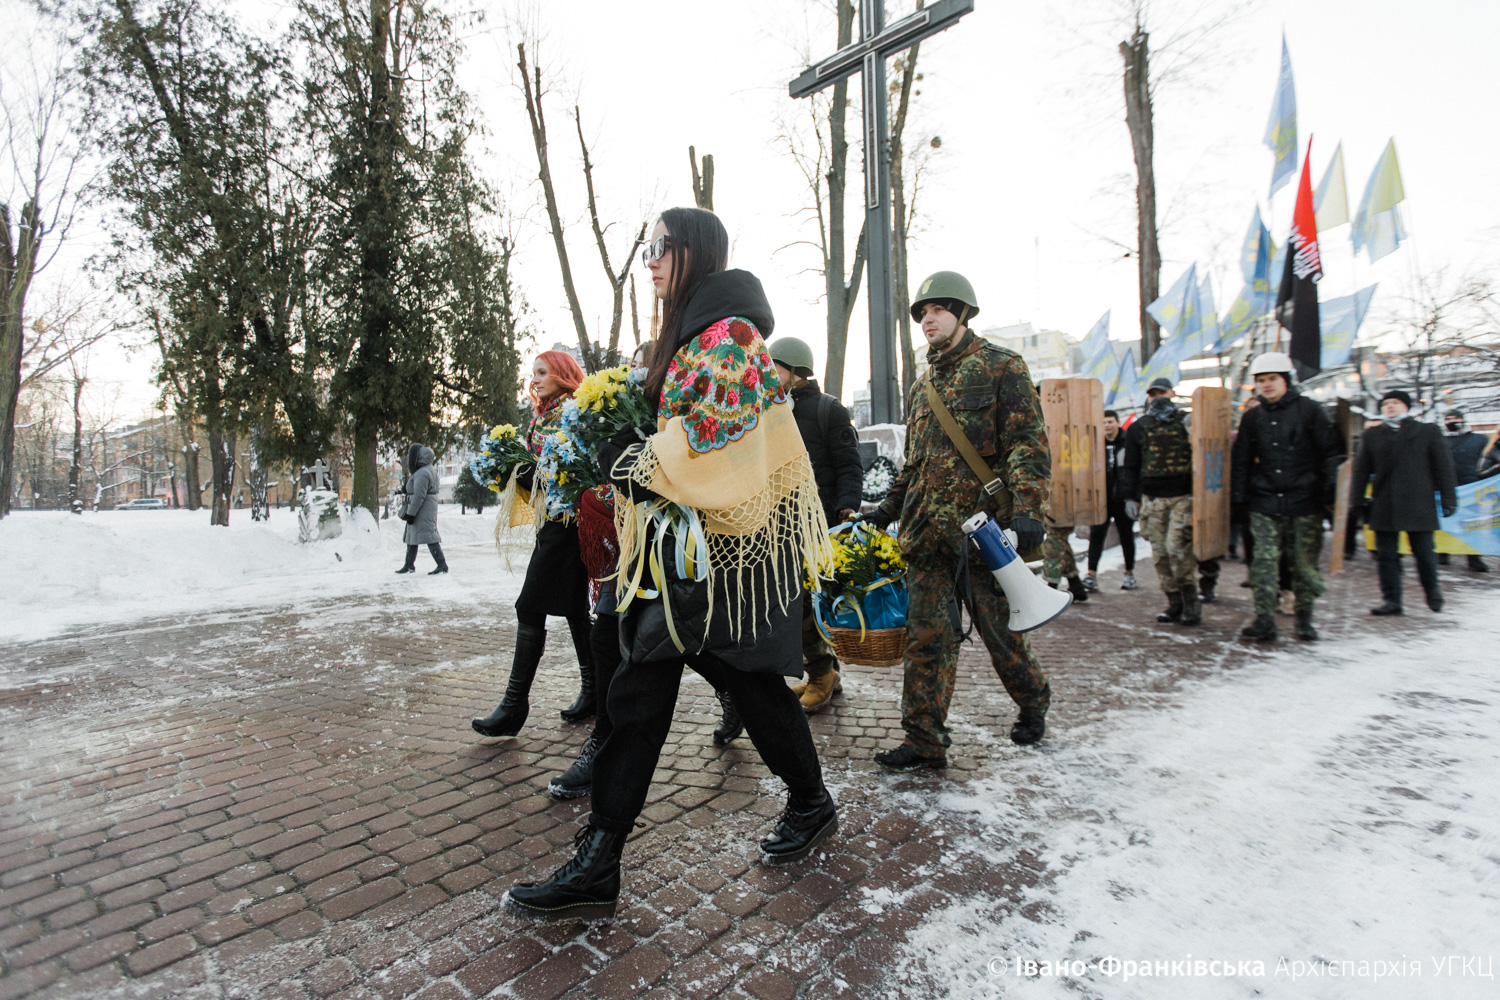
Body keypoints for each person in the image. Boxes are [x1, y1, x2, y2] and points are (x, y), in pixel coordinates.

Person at [507, 208, 837, 921]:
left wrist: (631, 458)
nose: (649, 260)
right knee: (667, 688)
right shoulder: (689, 335)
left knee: (728, 686)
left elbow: (718, 441)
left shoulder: (732, 336)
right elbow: (683, 433)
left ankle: (804, 803)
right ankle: (605, 857)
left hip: (725, 554)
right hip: (681, 550)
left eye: (659, 247)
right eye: (645, 248)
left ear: (695, 250)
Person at [864, 270, 1053, 771]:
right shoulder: (921, 386)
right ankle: (924, 740)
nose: (928, 319)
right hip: (927, 537)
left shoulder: (1001, 366)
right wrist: (886, 510)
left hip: (983, 535)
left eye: (939, 310)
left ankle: (1034, 701)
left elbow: (1027, 444)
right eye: (923, 313)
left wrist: (1029, 509)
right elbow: (915, 465)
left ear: (964, 314)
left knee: (1001, 634)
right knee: (926, 640)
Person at [471, 352, 596, 738]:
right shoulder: (543, 417)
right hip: (553, 523)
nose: (536, 379)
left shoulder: (573, 413)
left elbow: (568, 473)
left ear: (562, 374)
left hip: (569, 524)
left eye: (543, 372)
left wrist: (521, 469)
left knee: (529, 606)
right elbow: (542, 476)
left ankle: (514, 706)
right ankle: (594, 690)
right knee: (575, 609)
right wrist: (508, 468)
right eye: (534, 373)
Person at [769, 335, 863, 713]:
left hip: (818, 524)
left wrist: (847, 509)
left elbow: (849, 464)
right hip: (779, 524)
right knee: (795, 604)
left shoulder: (828, 409)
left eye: (774, 367)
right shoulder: (769, 411)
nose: (766, 374)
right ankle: (823, 672)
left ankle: (823, 673)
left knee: (810, 604)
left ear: (795, 369)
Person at [1230, 353, 1345, 641]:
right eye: (1261, 380)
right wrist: (1239, 499)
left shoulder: (1310, 411)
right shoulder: (1252, 417)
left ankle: (1304, 618)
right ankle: (1264, 619)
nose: (1266, 385)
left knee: (1303, 564)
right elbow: (1241, 460)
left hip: (1305, 501)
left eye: (1272, 379)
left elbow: (1331, 453)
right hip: (1264, 501)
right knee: (1263, 562)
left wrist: (1330, 489)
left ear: (1285, 380)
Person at [1120, 377, 1219, 626]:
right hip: (1153, 500)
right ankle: (1174, 603)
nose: (1158, 398)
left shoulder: (1187, 422)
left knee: (1178, 551)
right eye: (1153, 394)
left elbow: (1207, 455)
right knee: (1161, 556)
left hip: (1182, 498)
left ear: (1172, 394)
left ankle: (1191, 603)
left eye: (1162, 393)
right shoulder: (1139, 427)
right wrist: (1130, 497)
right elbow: (1131, 466)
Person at [1351, 390, 1458, 615]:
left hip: (1419, 503)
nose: (1390, 406)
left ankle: (1432, 591)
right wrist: (1356, 502)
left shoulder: (1427, 431)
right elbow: (1361, 472)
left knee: (1424, 554)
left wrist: (1449, 498)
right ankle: (1392, 601)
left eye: (1396, 402)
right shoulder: (1371, 435)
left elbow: (1444, 467)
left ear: (1407, 407)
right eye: (1386, 403)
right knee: (1386, 556)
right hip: (1385, 502)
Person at [1085, 410, 1136, 590]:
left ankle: (1129, 573)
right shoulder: (1095, 442)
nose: (1107, 425)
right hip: (1102, 499)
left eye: (1110, 422)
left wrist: (1133, 496)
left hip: (1122, 499)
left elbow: (1134, 469)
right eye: (1104, 422)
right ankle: (1091, 575)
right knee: (1096, 536)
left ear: (1117, 423)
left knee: (1126, 536)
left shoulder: (1128, 441)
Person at [1442, 410, 1490, 572]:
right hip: (1446, 487)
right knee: (1445, 521)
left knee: (1471, 524)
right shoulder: (1440, 440)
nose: (1451, 421)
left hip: (1472, 488)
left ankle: (1474, 558)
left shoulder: (1479, 439)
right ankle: (1442, 552)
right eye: (1448, 419)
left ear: (1462, 420)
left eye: (1455, 418)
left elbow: (1488, 458)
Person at [395, 445, 448, 574]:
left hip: (422, 510)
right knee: (413, 537)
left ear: (419, 457)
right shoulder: (428, 470)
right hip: (426, 508)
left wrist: (411, 514)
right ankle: (409, 565)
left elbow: (419, 495)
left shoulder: (423, 473)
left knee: (430, 537)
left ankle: (441, 565)